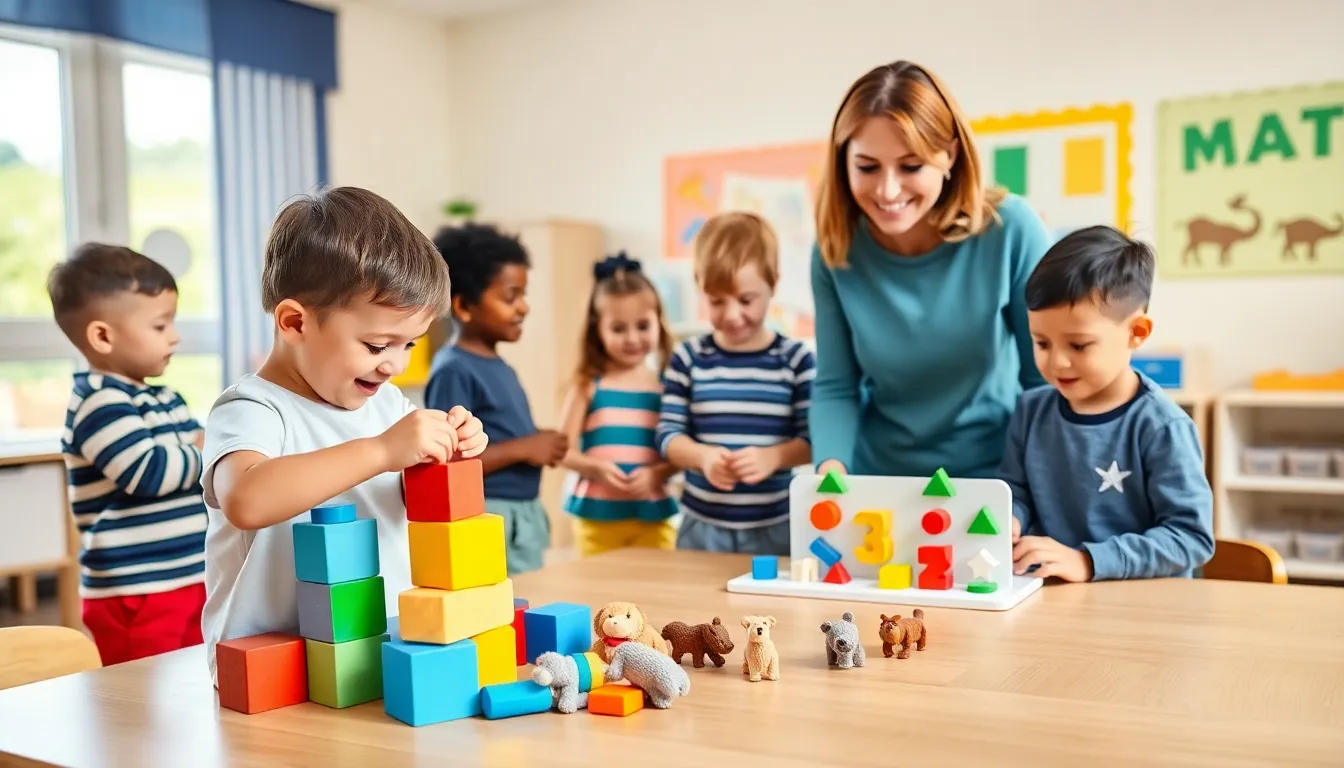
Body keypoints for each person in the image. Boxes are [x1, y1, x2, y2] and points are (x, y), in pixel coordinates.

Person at [200, 187, 487, 682]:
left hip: (380, 650)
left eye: (409, 345)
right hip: (274, 670)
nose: (395, 365)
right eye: (377, 345)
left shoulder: (388, 405)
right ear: (295, 322)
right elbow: (245, 500)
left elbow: (415, 500)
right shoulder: (253, 409)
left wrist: (451, 448)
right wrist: (381, 450)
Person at [809, 60, 1053, 480]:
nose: (887, 190)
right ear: (843, 161)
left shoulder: (1011, 230)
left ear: (950, 156)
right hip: (880, 479)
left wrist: (1039, 487)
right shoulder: (835, 248)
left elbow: (1043, 382)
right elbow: (836, 385)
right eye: (867, 167)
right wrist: (831, 473)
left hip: (995, 476)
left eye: (911, 166)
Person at [1000, 225, 1214, 581]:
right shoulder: (1030, 411)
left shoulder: (1162, 427)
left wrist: (1088, 561)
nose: (1057, 362)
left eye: (1078, 345)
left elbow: (1190, 538)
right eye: (1042, 343)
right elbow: (1016, 491)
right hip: (1055, 598)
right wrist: (1010, 518)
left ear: (1136, 333)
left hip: (1144, 604)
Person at [47, 243, 209, 666]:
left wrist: (202, 451)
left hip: (190, 573)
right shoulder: (98, 401)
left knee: (193, 676)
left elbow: (196, 459)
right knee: (140, 690)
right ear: (102, 336)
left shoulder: (167, 398)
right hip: (136, 589)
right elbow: (149, 471)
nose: (174, 336)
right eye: (160, 325)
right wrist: (205, 450)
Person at [657, 212, 815, 554]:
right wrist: (702, 456)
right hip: (701, 528)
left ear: (773, 284)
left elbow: (812, 440)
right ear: (700, 287)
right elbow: (667, 435)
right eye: (716, 301)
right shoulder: (688, 358)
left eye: (745, 300)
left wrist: (774, 457)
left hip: (776, 527)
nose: (731, 315)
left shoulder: (796, 360)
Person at [424, 223, 566, 574]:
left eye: (523, 296)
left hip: (522, 513)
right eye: (510, 297)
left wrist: (537, 441)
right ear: (464, 306)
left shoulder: (498, 365)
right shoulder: (454, 370)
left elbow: (500, 433)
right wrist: (524, 448)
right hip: (491, 513)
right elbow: (447, 459)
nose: (524, 307)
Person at [557, 252, 679, 556]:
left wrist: (657, 474)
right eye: (618, 328)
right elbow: (561, 450)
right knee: (600, 584)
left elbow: (680, 452)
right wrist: (595, 468)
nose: (632, 338)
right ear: (597, 330)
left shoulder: (668, 387)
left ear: (659, 323)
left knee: (657, 582)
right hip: (596, 519)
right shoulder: (587, 386)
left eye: (643, 325)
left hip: (652, 516)